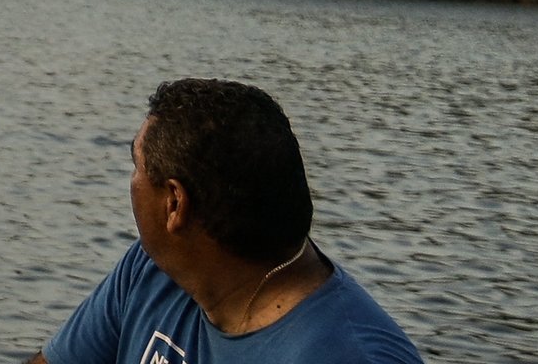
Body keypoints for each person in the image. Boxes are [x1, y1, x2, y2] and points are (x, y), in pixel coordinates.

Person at [35, 78, 422, 363]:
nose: (131, 181)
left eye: (135, 165)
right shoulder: (150, 271)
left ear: (174, 204)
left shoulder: (348, 355)